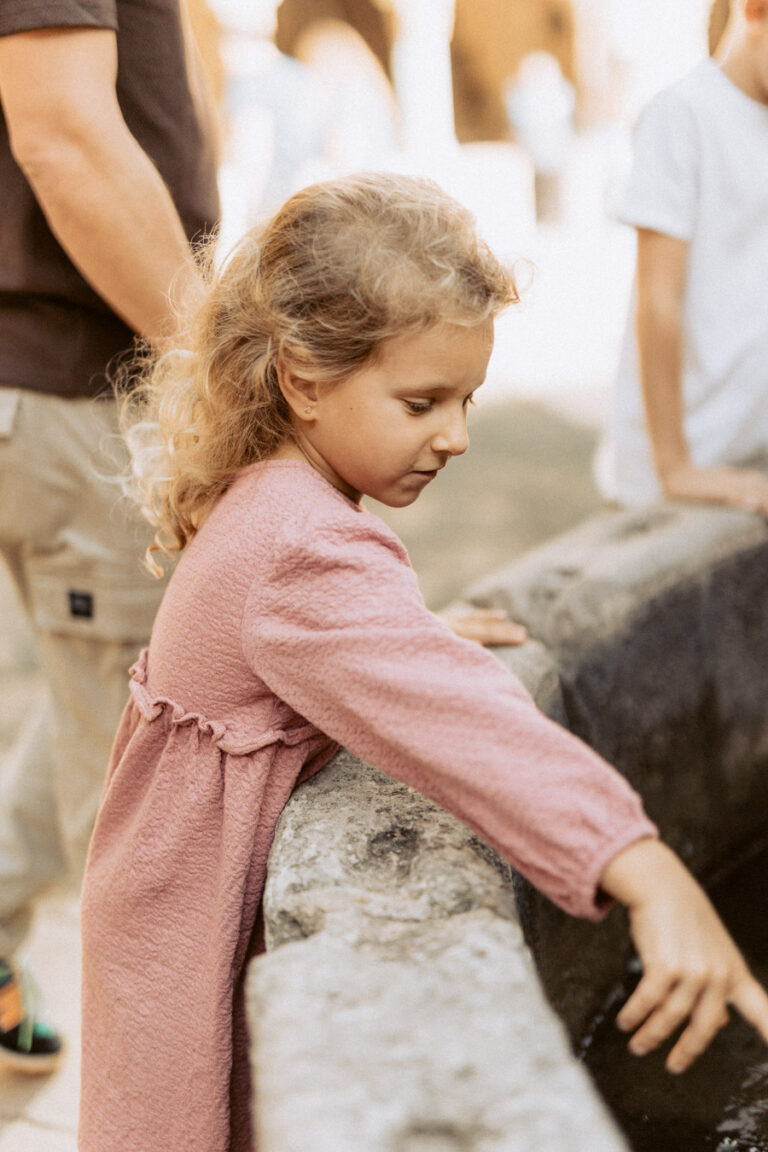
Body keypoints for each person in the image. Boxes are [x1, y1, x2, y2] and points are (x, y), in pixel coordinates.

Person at [79, 173, 768, 1152]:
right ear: (304, 379)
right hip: (181, 934)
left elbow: (316, 644)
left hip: (155, 903)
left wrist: (410, 630)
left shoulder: (275, 497)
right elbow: (465, 722)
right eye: (422, 401)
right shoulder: (303, 546)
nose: (457, 434)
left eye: (468, 398)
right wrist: (644, 866)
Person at [0, 0, 219, 1072]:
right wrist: (224, 384)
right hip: (76, 384)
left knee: (110, 694)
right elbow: (62, 131)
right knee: (140, 815)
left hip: (64, 383)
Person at [594, 0, 768, 512]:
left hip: (743, 456)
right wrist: (676, 468)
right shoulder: (684, 114)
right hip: (667, 475)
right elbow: (658, 300)